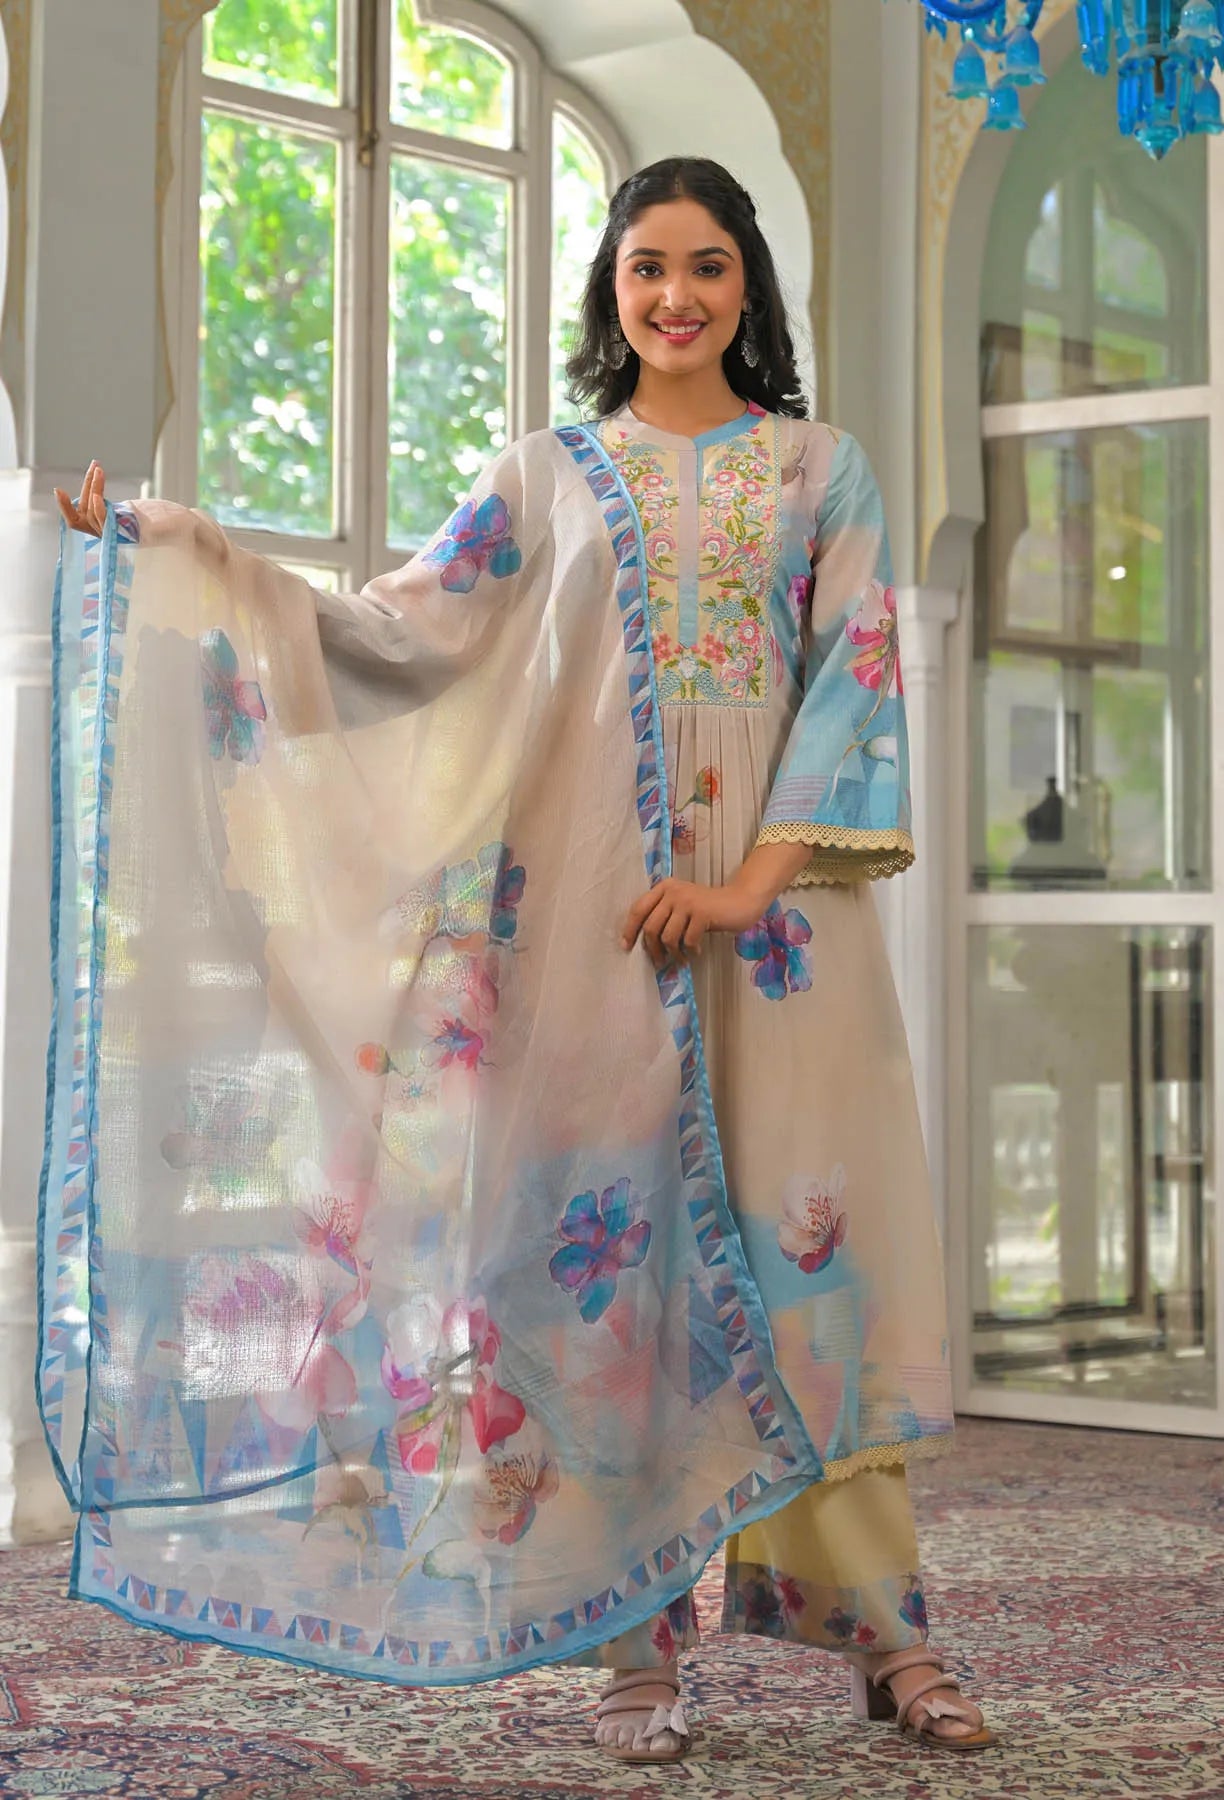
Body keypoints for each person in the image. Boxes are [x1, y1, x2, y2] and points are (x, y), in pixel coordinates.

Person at [50, 157, 991, 1765]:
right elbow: (396, 631)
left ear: (749, 285)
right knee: (606, 1273)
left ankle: (889, 1635)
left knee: (807, 1262)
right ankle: (634, 1644)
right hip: (596, 930)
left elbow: (857, 688)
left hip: (779, 932)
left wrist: (739, 888)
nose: (677, 296)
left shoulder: (821, 469)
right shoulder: (546, 478)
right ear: (610, 291)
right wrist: (183, 548)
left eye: (708, 266)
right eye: (646, 269)